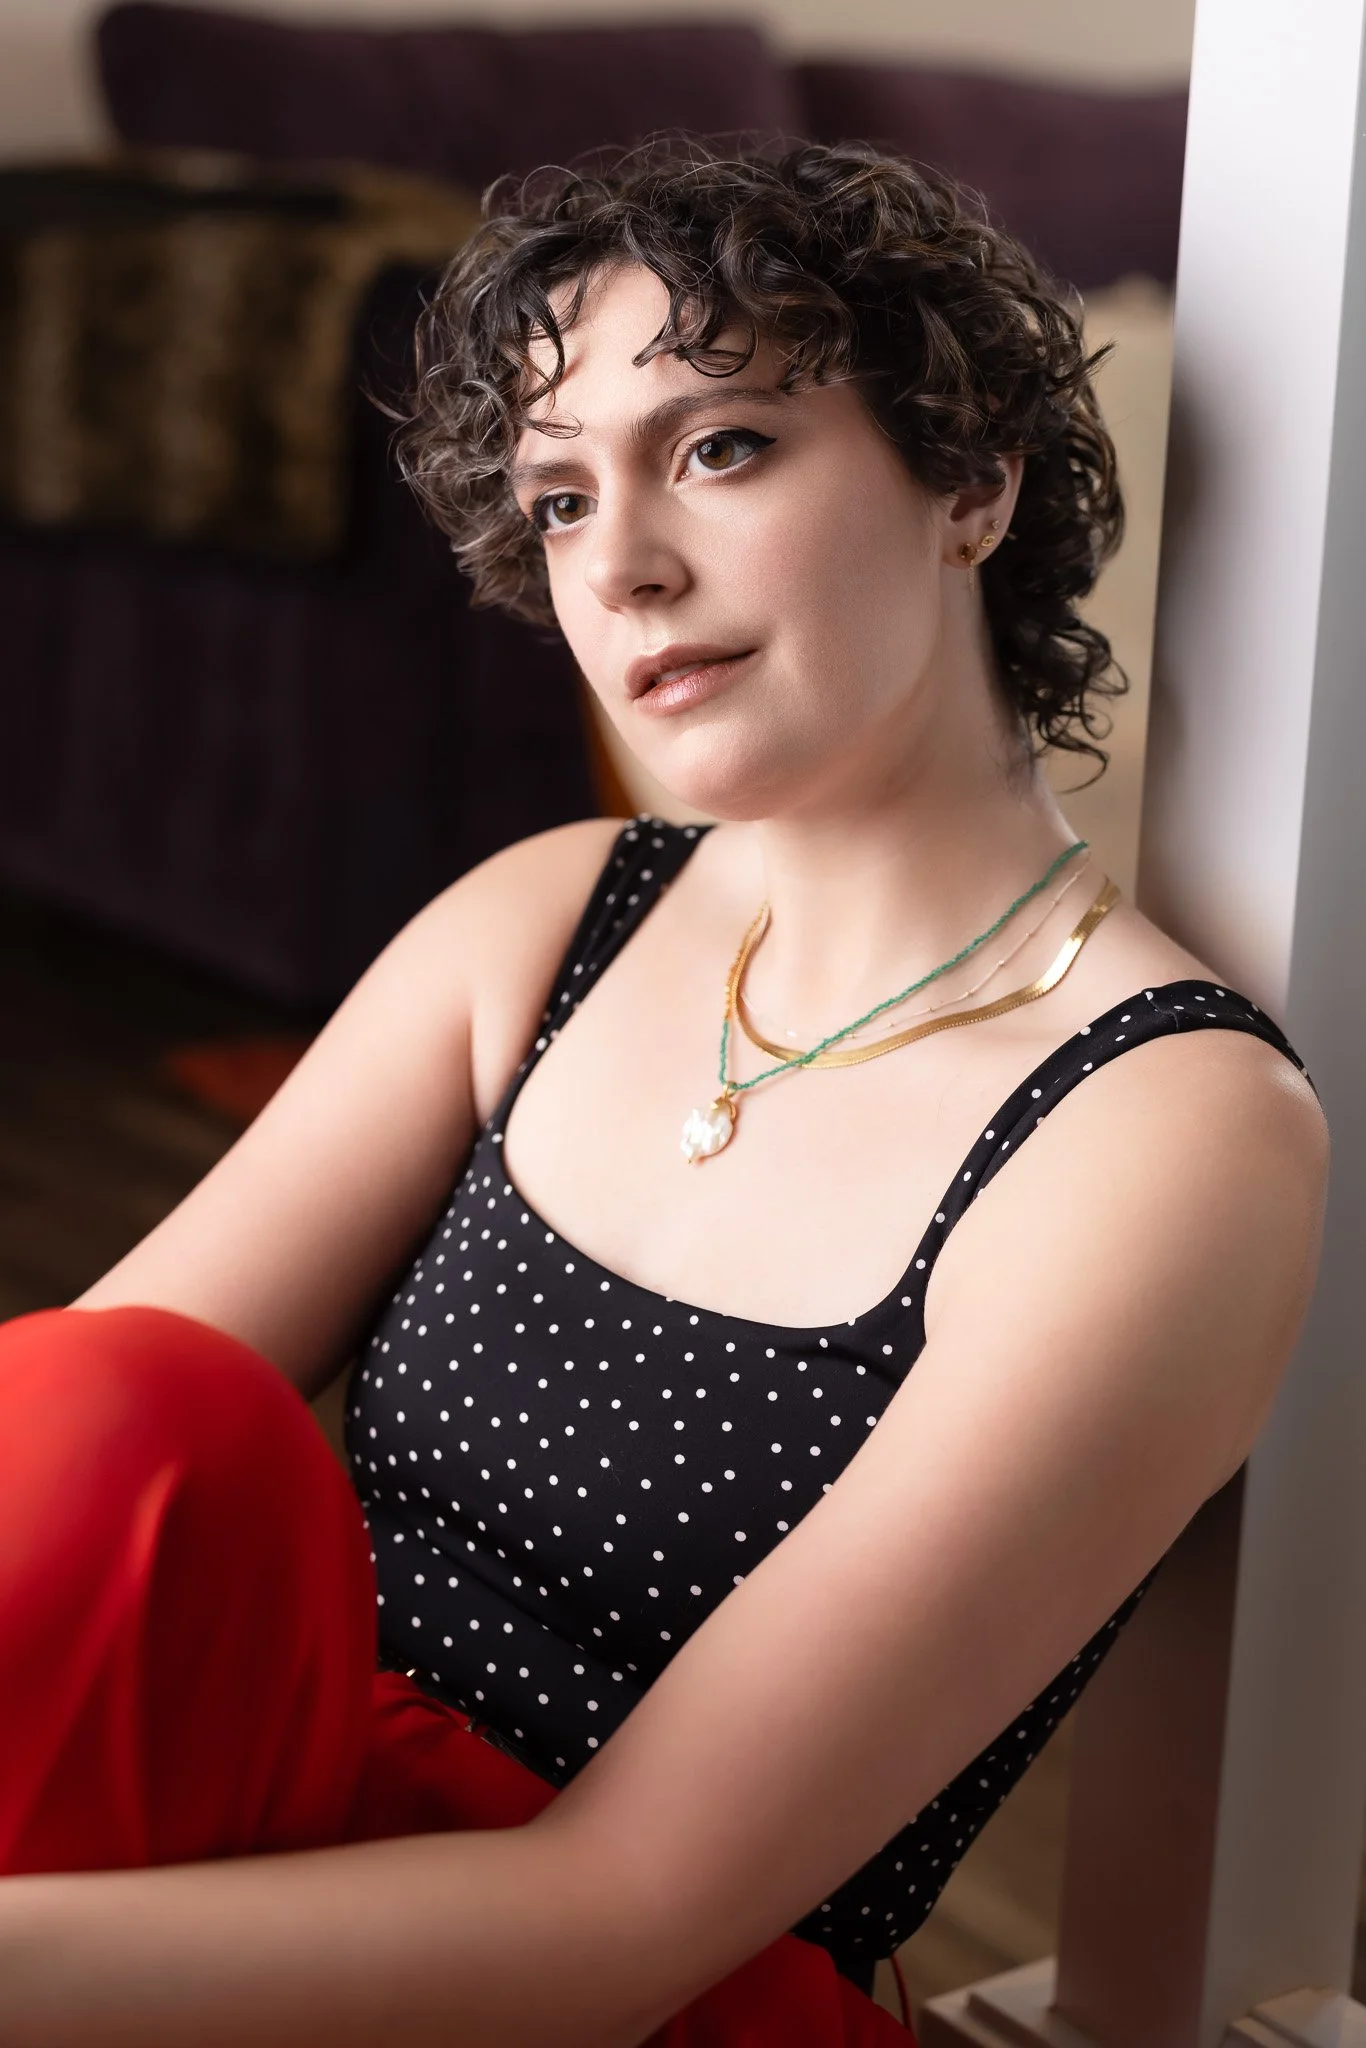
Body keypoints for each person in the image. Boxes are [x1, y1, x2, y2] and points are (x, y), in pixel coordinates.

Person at [0, 140, 1327, 2046]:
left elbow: (620, 1918)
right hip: (210, 1836)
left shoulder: (1164, 1127)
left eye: (717, 448)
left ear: (970, 481)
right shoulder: (547, 921)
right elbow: (66, 1463)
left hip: (598, 1979)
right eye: (555, 495)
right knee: (111, 1408)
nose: (616, 564)